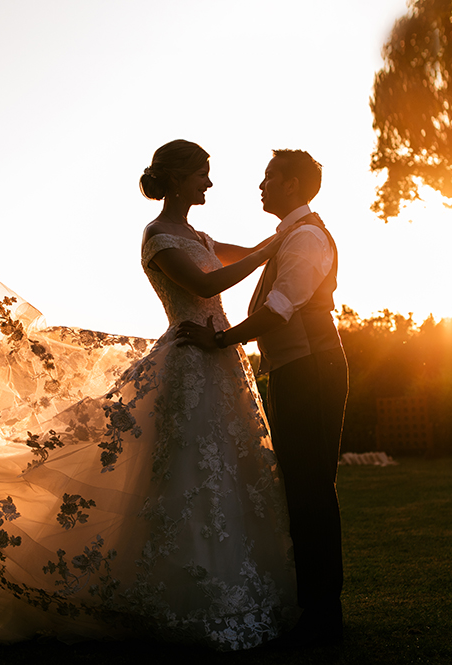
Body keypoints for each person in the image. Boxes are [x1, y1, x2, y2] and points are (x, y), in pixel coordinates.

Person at [0, 139, 300, 650]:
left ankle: (237, 590)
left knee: (229, 474)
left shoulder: (197, 234)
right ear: (178, 177)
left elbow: (237, 256)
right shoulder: (158, 237)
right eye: (202, 175)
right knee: (189, 477)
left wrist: (282, 236)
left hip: (221, 363)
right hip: (189, 366)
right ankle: (185, 597)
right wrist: (272, 248)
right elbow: (210, 279)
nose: (209, 184)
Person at [178, 149, 348, 647]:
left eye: (269, 177)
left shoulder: (308, 237)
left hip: (313, 368)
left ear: (292, 184)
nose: (261, 186)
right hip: (296, 369)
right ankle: (314, 609)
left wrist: (221, 340)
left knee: (312, 489)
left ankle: (324, 617)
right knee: (300, 487)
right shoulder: (286, 237)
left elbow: (279, 309)